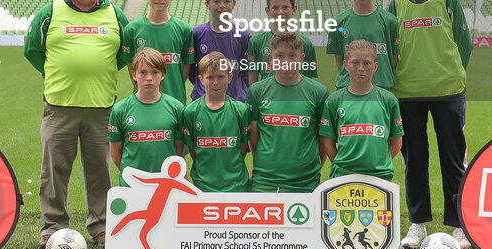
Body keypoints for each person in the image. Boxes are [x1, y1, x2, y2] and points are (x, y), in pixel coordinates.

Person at [24, 0, 129, 249]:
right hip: (59, 107)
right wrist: (57, 75)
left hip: (101, 108)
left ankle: (101, 226)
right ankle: (52, 228)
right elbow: (33, 50)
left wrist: (97, 73)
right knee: (54, 171)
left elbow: (125, 55)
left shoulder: (116, 15)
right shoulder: (50, 13)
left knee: (99, 170)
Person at [388, 0, 472, 249]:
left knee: (453, 161)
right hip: (407, 93)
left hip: (448, 91)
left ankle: (459, 225)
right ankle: (418, 225)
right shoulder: (396, 2)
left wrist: (450, 74)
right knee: (415, 162)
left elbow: (464, 43)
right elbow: (391, 46)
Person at [246, 32, 328, 192]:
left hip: (305, 184)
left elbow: (322, 140)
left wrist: (310, 170)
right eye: (279, 56)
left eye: (292, 56)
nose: (286, 62)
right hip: (264, 182)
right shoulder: (257, 91)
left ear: (302, 58)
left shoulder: (319, 92)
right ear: (270, 59)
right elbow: (254, 137)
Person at [319, 40, 404, 182]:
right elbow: (327, 142)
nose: (360, 68)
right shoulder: (334, 100)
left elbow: (396, 142)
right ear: (345, 65)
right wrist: (342, 165)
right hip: (343, 175)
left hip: (379, 176)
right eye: (355, 63)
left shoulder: (388, 99)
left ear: (375, 66)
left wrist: (380, 165)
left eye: (366, 63)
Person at [108, 48, 185, 186]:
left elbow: (179, 150)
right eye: (143, 72)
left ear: (163, 74)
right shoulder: (120, 110)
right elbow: (115, 154)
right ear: (134, 75)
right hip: (133, 185)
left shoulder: (176, 107)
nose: (149, 78)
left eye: (155, 72)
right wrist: (133, 178)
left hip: (166, 183)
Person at [121, 0, 195, 104]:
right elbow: (131, 67)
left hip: (175, 101)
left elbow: (184, 69)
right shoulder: (132, 29)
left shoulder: (184, 29)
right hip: (142, 102)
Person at [180, 52, 251, 192]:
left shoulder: (241, 110)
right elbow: (193, 151)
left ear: (230, 78)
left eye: (220, 76)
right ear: (200, 79)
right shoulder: (190, 112)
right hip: (203, 188)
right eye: (210, 77)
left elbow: (242, 149)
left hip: (237, 187)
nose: (216, 82)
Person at [327, 0, 400, 91]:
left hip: (382, 90)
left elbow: (393, 59)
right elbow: (340, 60)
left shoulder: (390, 20)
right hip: (348, 91)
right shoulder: (338, 22)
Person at [188, 0, 251, 102]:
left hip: (235, 103)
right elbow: (190, 69)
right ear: (207, 4)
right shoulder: (196, 34)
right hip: (203, 103)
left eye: (227, 1)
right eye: (216, 1)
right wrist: (201, 88)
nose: (222, 6)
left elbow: (246, 72)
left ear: (234, 4)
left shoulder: (243, 35)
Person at [246, 0, 318, 84]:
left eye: (285, 7)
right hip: (266, 98)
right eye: (275, 7)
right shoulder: (256, 42)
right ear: (268, 11)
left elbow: (309, 81)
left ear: (294, 9)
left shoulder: (306, 43)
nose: (280, 12)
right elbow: (252, 79)